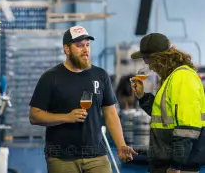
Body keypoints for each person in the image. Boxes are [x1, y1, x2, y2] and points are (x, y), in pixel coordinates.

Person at [29, 25, 136, 173]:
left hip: (96, 156)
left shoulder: (100, 75)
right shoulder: (50, 77)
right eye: (79, 46)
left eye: (87, 45)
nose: (86, 50)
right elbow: (35, 115)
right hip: (61, 158)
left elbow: (110, 113)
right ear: (67, 49)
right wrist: (67, 117)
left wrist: (121, 145)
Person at [130, 33, 205, 173]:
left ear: (160, 58)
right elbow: (163, 116)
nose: (150, 67)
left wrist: (177, 165)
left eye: (149, 60)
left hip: (177, 166)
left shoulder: (182, 77)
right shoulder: (172, 78)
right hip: (165, 162)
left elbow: (187, 127)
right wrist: (143, 96)